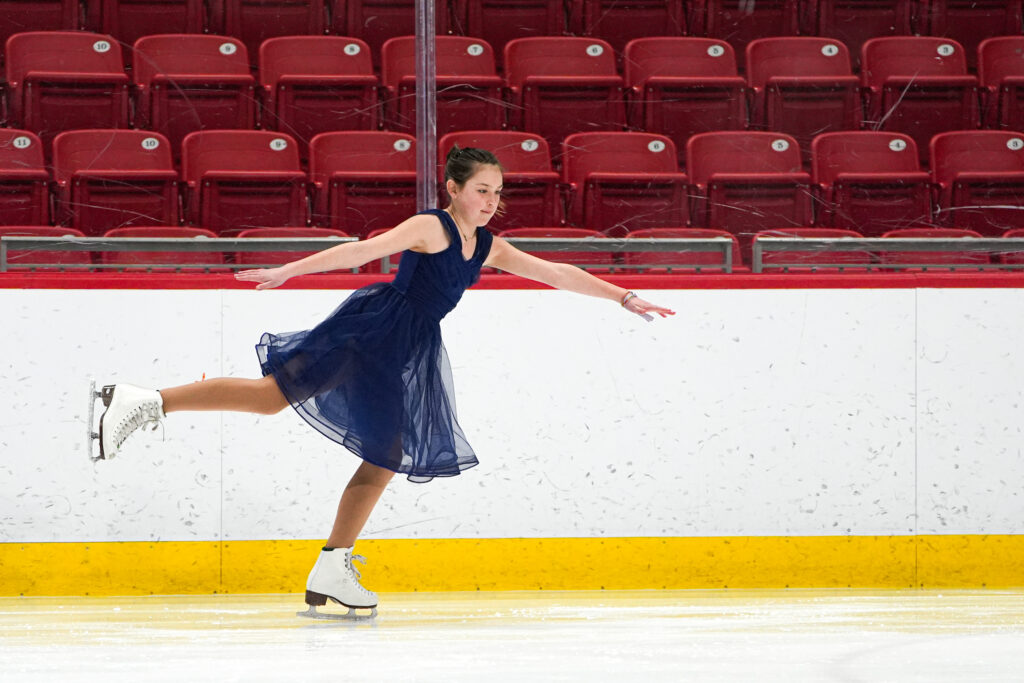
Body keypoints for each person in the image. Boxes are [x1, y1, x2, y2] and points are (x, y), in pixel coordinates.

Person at [94, 146, 675, 619]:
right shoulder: (431, 226)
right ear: (453, 188)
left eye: (498, 192)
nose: (491, 201)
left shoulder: (487, 246)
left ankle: (329, 562)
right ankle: (145, 403)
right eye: (481, 190)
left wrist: (622, 296)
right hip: (371, 332)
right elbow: (363, 251)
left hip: (403, 347)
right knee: (291, 407)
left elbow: (557, 273)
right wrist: (289, 271)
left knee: (363, 443)